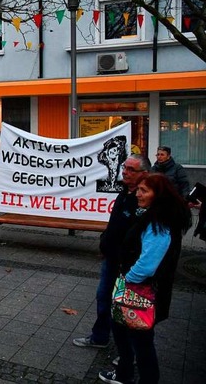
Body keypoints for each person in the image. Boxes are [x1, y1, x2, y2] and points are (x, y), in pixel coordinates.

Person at [99, 174, 192, 384]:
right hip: (140, 288)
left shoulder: (158, 223)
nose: (138, 194)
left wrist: (127, 278)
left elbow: (148, 264)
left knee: (141, 341)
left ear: (158, 195)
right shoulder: (153, 216)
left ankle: (145, 379)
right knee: (124, 332)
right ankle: (124, 374)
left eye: (144, 191)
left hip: (142, 290)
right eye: (138, 189)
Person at [73, 154, 151, 350]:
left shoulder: (146, 200)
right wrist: (104, 243)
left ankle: (129, 352)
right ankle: (100, 337)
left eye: (131, 169)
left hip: (130, 264)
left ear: (145, 174)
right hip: (111, 258)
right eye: (125, 167)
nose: (125, 172)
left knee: (127, 307)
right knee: (103, 297)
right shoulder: (125, 191)